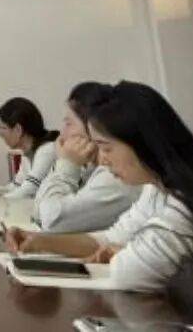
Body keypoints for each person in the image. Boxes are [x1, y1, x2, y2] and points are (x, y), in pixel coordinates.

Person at [6, 81, 193, 294]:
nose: (103, 160)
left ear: (141, 143)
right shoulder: (155, 188)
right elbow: (113, 239)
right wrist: (41, 242)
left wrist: (125, 253)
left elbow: (128, 274)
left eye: (107, 148)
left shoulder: (187, 202)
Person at [33, 83, 140, 232]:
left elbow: (51, 220)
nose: (62, 134)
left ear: (93, 126)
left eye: (69, 124)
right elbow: (38, 212)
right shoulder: (89, 168)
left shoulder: (116, 177)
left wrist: (66, 165)